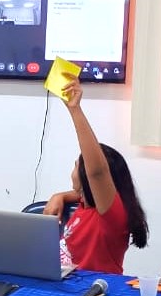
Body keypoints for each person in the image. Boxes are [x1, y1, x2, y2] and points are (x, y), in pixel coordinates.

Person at [44, 78, 148, 274]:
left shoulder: (111, 215)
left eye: (76, 165)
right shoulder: (86, 204)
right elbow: (87, 192)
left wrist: (75, 110)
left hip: (96, 291)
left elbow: (97, 173)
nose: (73, 170)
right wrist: (62, 195)